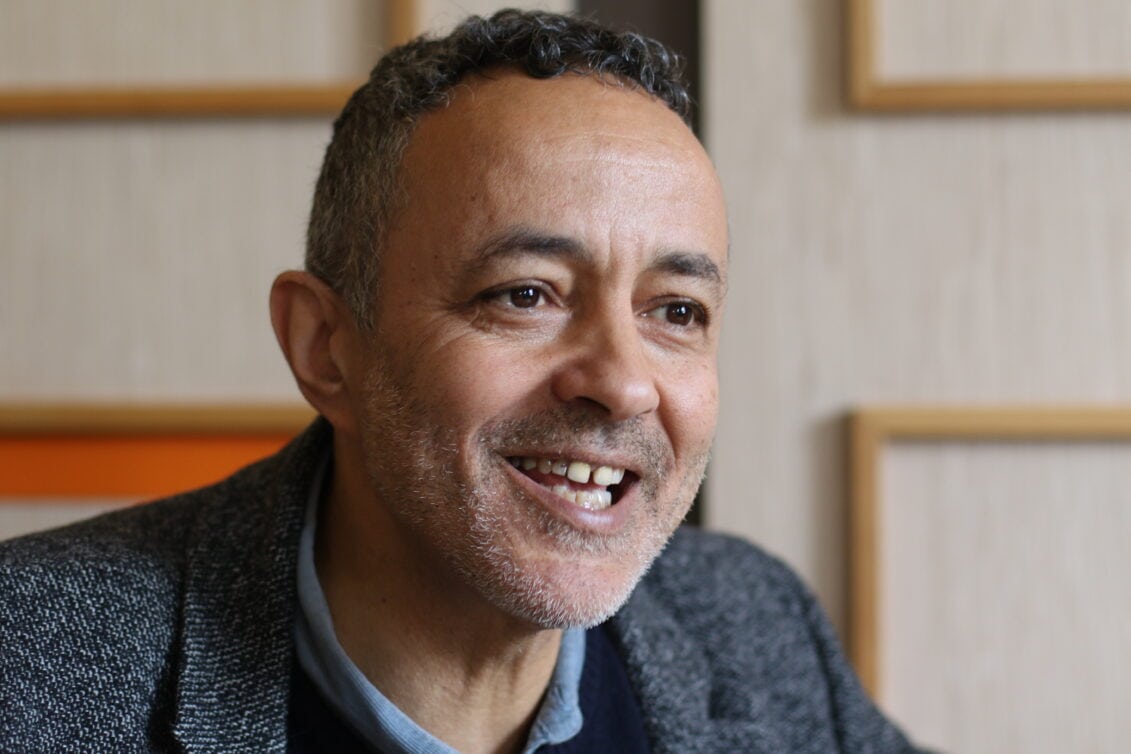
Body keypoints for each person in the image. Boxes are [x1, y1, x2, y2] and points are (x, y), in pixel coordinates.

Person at [0, 10, 925, 754]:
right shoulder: (31, 666)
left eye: (675, 310)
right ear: (325, 347)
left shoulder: (754, 626)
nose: (622, 384)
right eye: (525, 295)